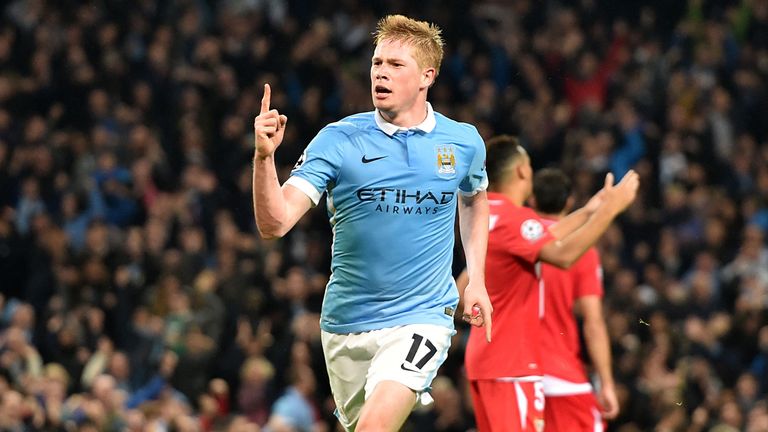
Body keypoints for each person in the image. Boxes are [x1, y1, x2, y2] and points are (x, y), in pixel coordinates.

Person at [251, 15, 492, 432]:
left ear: (426, 76)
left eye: (396, 64)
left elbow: (473, 199)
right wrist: (263, 159)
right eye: (377, 62)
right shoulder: (338, 140)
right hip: (346, 325)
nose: (381, 71)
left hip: (423, 316)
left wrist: (477, 280)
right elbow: (275, 224)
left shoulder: (463, 142)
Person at [461, 135, 638, 432]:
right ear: (521, 171)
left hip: (486, 361)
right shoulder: (514, 219)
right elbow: (563, 255)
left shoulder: (487, 214)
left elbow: (540, 237)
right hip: (513, 365)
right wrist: (611, 210)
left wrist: (589, 211)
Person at [531, 168, 619, 431]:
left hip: (517, 373)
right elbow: (593, 322)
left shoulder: (515, 239)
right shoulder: (581, 247)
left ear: (531, 200)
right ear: (569, 202)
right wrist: (606, 383)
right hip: (561, 373)